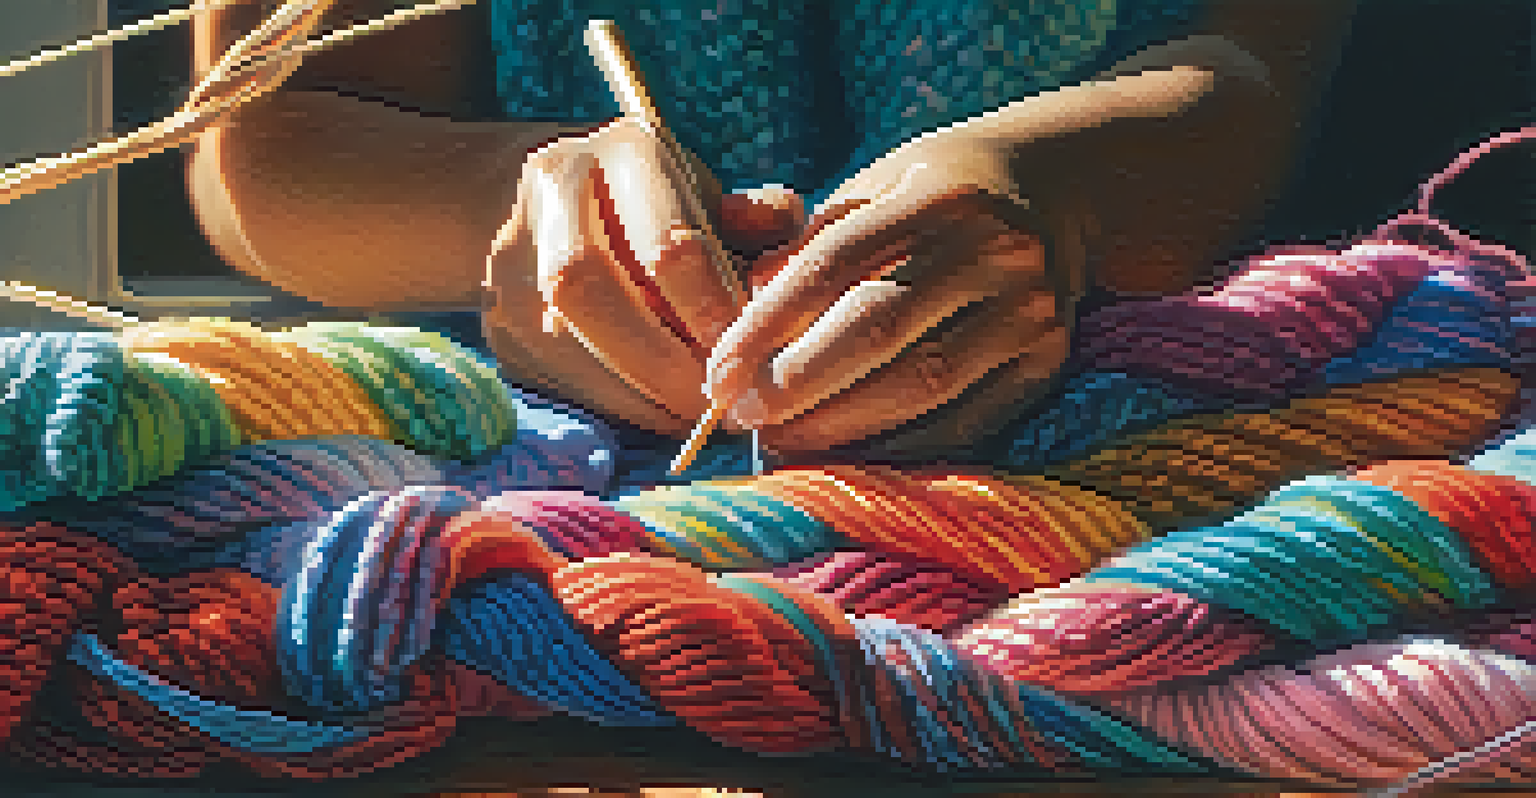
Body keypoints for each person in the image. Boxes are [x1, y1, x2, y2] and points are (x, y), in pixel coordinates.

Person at [187, 0, 1357, 460]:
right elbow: (266, 144)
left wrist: (1058, 190)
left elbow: (1261, 59)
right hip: (514, 454)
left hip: (1128, 440)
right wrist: (511, 200)